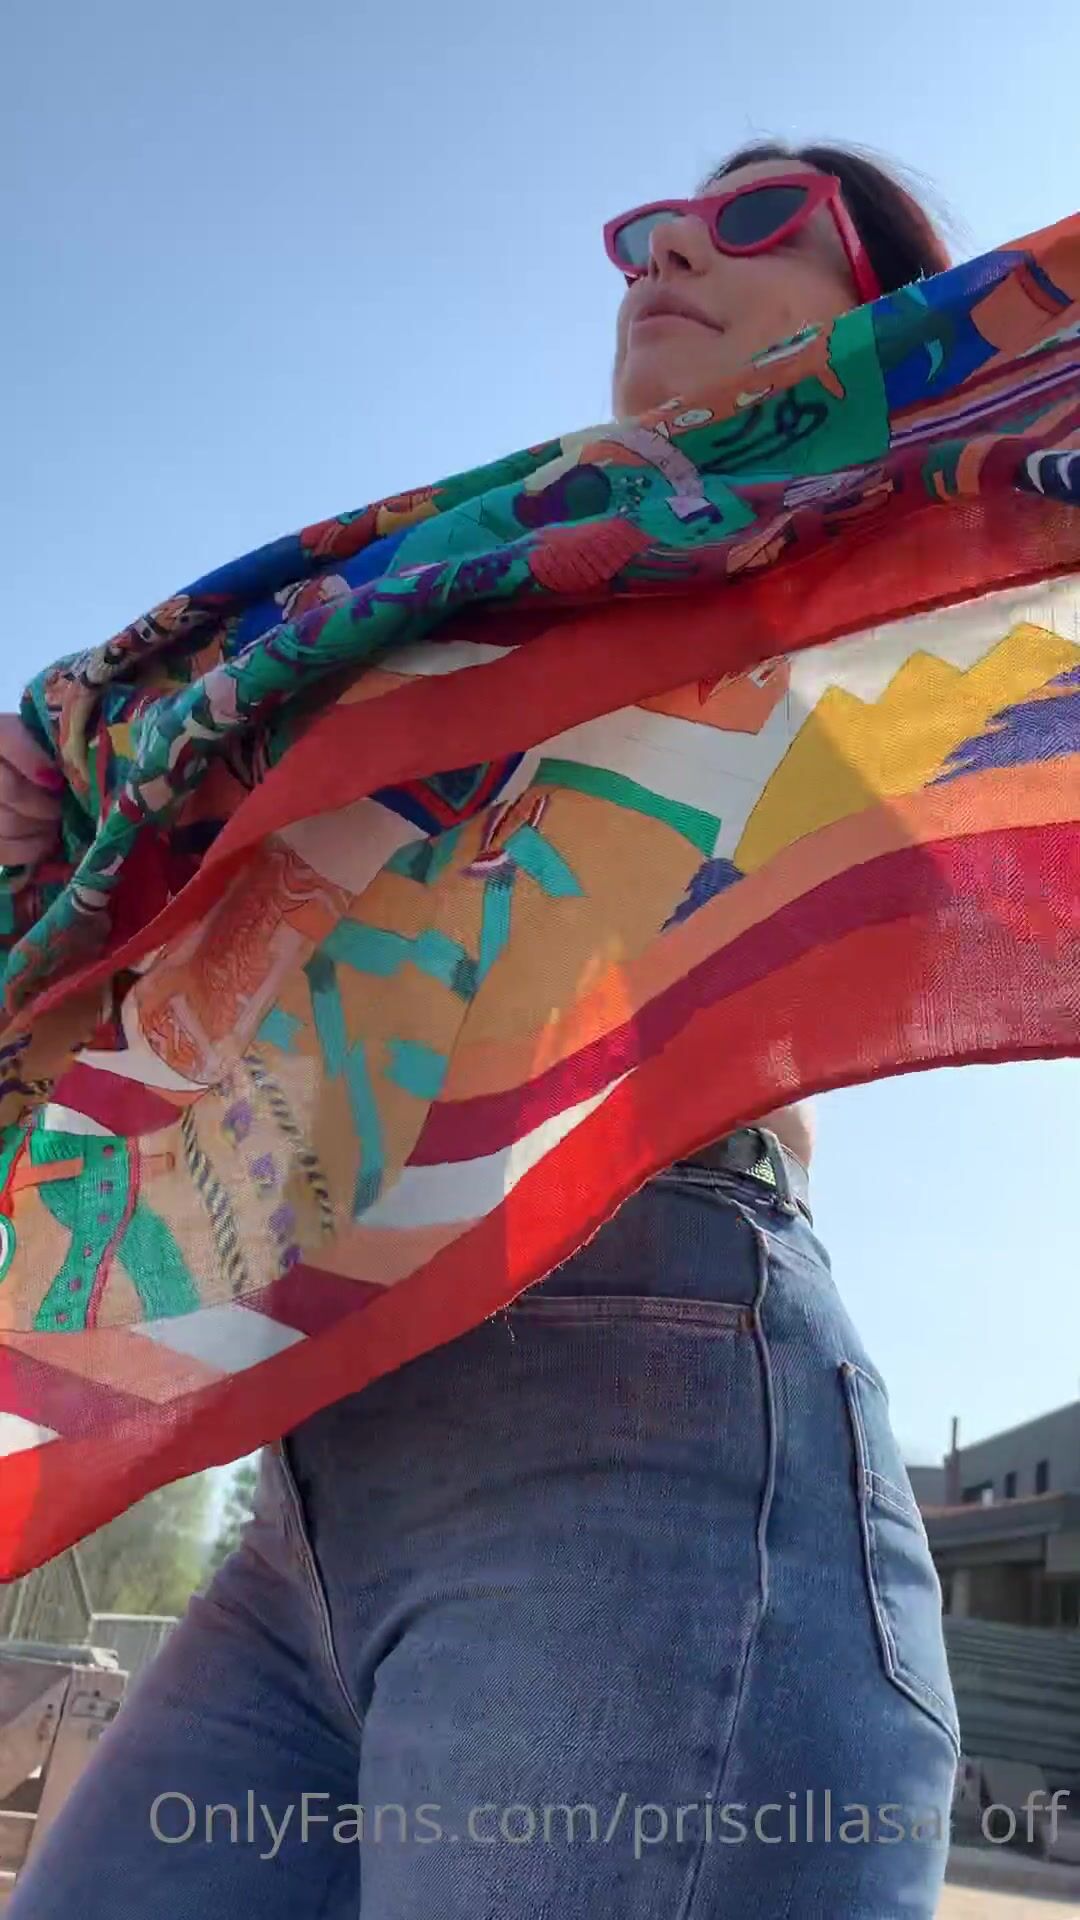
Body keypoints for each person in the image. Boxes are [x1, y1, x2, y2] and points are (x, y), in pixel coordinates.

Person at [5, 143, 960, 1919]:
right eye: (649, 231)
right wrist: (91, 815)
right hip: (316, 1457)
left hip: (636, 1380)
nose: (670, 249)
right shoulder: (464, 597)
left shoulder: (887, 553)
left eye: (761, 222)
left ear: (894, 311)